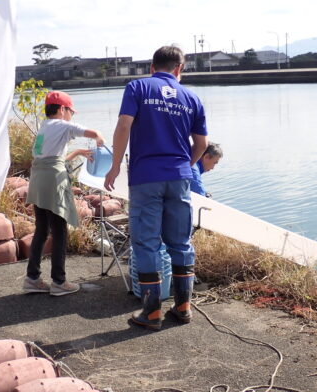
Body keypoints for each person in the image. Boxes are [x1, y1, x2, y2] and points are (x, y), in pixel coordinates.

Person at [104, 45, 208, 330]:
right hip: (180, 178)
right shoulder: (192, 98)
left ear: (152, 67)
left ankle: (151, 313)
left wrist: (115, 165)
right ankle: (183, 307)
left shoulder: (137, 87)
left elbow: (123, 127)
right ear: (180, 69)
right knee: (180, 242)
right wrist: (184, 165)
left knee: (147, 243)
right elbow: (201, 144)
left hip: (146, 177)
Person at [24, 91, 104, 296]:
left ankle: (32, 278)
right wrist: (99, 137)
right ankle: (59, 281)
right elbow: (90, 132)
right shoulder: (62, 125)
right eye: (71, 111)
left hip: (38, 179)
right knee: (59, 230)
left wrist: (77, 152)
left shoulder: (44, 128)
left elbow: (50, 158)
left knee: (42, 230)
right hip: (53, 181)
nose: (71, 116)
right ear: (62, 109)